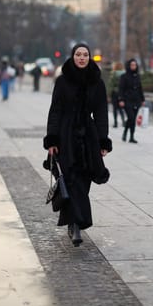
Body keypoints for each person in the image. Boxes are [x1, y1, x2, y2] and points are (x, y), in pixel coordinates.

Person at [43, 43, 112, 247]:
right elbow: (54, 110)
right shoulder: (63, 81)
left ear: (89, 57)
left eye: (85, 55)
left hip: (88, 137)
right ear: (73, 56)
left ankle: (73, 220)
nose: (82, 58)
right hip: (65, 135)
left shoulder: (97, 82)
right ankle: (76, 225)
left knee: (84, 181)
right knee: (70, 179)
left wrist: (102, 141)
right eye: (78, 54)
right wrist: (52, 139)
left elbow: (101, 114)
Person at [119, 59, 145, 143]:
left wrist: (142, 99)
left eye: (135, 65)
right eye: (132, 65)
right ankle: (126, 133)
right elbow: (121, 89)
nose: (133, 66)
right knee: (131, 118)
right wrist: (121, 99)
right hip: (127, 100)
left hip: (136, 100)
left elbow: (140, 89)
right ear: (128, 66)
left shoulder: (137, 76)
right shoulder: (124, 76)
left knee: (132, 119)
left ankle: (131, 136)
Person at [107, 62, 126, 128]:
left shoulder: (113, 73)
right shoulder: (124, 73)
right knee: (121, 109)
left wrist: (109, 95)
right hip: (122, 93)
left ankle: (115, 123)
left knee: (115, 109)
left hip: (115, 93)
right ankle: (123, 122)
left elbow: (111, 85)